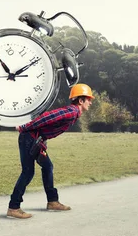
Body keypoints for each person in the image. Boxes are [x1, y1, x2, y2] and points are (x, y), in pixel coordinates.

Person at [6, 83, 94, 219]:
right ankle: (13, 207)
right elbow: (47, 117)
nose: (91, 102)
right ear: (81, 100)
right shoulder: (71, 111)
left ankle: (52, 201)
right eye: (89, 99)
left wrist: (42, 142)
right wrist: (24, 127)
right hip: (29, 137)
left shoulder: (74, 113)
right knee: (28, 172)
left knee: (48, 166)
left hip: (36, 140)